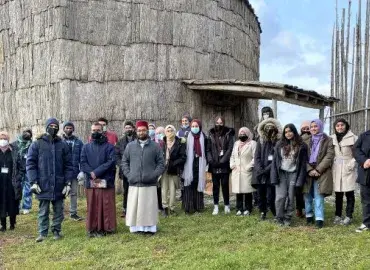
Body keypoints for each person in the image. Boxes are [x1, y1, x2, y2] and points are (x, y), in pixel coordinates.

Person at [26, 118, 74, 242]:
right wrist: (33, 182)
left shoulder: (62, 145)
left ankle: (56, 231)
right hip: (43, 183)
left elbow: (68, 165)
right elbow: (30, 164)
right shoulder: (37, 144)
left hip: (58, 184)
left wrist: (68, 183)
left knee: (59, 210)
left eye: (55, 126)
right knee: (43, 210)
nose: (53, 128)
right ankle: (42, 233)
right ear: (46, 127)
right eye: (51, 125)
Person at [122, 120, 165, 234]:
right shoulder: (130, 146)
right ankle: (136, 228)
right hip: (134, 181)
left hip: (149, 182)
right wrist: (129, 175)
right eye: (139, 130)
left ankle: (149, 228)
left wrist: (154, 175)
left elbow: (161, 163)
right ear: (136, 131)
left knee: (148, 207)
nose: (141, 132)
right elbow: (124, 162)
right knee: (135, 207)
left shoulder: (155, 146)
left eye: (144, 130)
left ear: (147, 131)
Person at [81, 122, 117, 237]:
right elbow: (82, 162)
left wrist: (96, 172)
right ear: (91, 131)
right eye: (93, 130)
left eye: (98, 130)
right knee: (92, 205)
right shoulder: (86, 147)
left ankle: (107, 227)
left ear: (102, 131)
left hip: (106, 180)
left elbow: (111, 162)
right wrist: (91, 173)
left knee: (105, 205)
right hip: (91, 181)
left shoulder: (110, 147)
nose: (95, 132)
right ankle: (92, 228)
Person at [271, 124, 308, 226]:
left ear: (294, 131)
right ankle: (279, 217)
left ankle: (287, 217)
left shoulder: (301, 145)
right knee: (280, 196)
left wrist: (300, 179)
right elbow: (275, 162)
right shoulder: (279, 144)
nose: (288, 134)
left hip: (293, 173)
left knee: (291, 197)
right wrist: (273, 176)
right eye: (286, 132)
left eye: (290, 131)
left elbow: (303, 164)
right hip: (281, 173)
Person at [303, 119, 334, 229]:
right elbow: (302, 157)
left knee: (318, 195)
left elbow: (329, 156)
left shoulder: (328, 140)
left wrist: (318, 170)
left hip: (322, 172)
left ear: (320, 127)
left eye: (316, 126)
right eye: (312, 127)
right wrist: (310, 170)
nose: (313, 128)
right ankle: (309, 215)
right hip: (308, 171)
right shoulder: (305, 140)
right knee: (307, 195)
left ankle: (319, 219)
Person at [252, 118, 282, 220]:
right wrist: (260, 169)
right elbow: (257, 157)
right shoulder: (260, 140)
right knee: (261, 194)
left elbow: (276, 158)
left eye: (271, 127)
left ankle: (274, 212)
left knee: (271, 195)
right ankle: (262, 212)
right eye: (267, 127)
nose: (269, 129)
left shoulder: (278, 142)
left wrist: (266, 170)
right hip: (260, 172)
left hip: (271, 172)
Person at [330, 118, 357, 226]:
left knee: (349, 192)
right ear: (335, 127)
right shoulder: (332, 138)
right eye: (337, 125)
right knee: (338, 193)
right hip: (336, 167)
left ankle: (348, 216)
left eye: (342, 125)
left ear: (346, 125)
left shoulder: (353, 137)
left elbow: (358, 153)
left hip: (347, 166)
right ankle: (338, 215)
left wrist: (352, 164)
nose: (340, 127)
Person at [206, 116, 235, 215]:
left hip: (224, 164)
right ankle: (216, 206)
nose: (219, 124)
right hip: (214, 164)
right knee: (215, 186)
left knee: (225, 185)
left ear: (224, 123)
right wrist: (211, 160)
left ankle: (227, 205)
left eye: (221, 122)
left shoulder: (229, 133)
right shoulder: (211, 133)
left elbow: (230, 148)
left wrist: (223, 160)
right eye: (217, 122)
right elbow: (208, 149)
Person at [182, 119, 207, 214]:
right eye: (192, 126)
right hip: (189, 164)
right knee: (189, 185)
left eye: (196, 126)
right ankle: (189, 207)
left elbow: (206, 150)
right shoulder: (186, 136)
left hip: (199, 164)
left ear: (200, 127)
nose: (194, 128)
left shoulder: (203, 137)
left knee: (197, 184)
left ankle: (198, 207)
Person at [230, 127, 256, 216]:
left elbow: (255, 157)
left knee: (247, 191)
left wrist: (249, 166)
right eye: (240, 134)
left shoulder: (252, 143)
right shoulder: (236, 143)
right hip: (237, 170)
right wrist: (232, 165)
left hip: (246, 170)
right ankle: (239, 208)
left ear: (248, 134)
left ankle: (248, 208)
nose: (242, 135)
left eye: (244, 134)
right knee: (238, 191)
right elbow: (232, 156)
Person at [161, 125, 186, 216]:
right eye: (167, 130)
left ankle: (172, 208)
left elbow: (183, 157)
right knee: (164, 189)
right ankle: (165, 207)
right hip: (164, 169)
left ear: (174, 131)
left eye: (171, 130)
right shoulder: (162, 142)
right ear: (165, 132)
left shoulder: (180, 142)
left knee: (172, 189)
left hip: (174, 169)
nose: (169, 132)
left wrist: (174, 163)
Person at [0, 131, 23, 231]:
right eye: (1, 139)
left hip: (12, 181)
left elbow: (21, 166)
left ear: (8, 140)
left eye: (5, 139)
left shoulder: (14, 151)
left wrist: (18, 177)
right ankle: (3, 225)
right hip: (0, 182)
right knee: (1, 202)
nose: (3, 141)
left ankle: (12, 223)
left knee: (12, 202)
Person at [62, 121, 84, 221]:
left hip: (75, 171)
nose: (69, 130)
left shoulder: (79, 142)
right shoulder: (59, 141)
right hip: (62, 172)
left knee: (74, 193)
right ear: (63, 129)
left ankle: (73, 213)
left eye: (70, 128)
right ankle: (60, 213)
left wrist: (82, 170)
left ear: (73, 129)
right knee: (61, 192)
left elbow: (83, 157)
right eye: (67, 128)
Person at [115, 120, 137, 218]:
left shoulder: (138, 139)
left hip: (137, 169)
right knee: (126, 190)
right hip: (125, 170)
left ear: (133, 128)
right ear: (124, 129)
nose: (128, 129)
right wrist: (122, 165)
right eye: (126, 128)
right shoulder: (120, 141)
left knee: (137, 190)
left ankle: (136, 208)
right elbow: (116, 155)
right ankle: (125, 208)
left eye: (130, 127)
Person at [12, 129, 33, 215]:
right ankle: (16, 207)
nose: (27, 134)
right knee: (17, 188)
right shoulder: (15, 144)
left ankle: (26, 207)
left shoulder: (32, 145)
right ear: (22, 133)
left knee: (28, 189)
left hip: (29, 169)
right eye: (25, 133)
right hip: (17, 169)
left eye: (29, 134)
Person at [354, 126, 370, 232]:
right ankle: (366, 223)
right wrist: (364, 160)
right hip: (366, 172)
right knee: (366, 200)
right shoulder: (364, 136)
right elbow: (355, 149)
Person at [295, 120, 311, 217]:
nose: (305, 130)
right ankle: (299, 208)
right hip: (299, 166)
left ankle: (307, 209)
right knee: (298, 189)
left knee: (307, 190)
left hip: (310, 165)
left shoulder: (314, 138)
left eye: (307, 128)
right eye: (303, 128)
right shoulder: (298, 139)